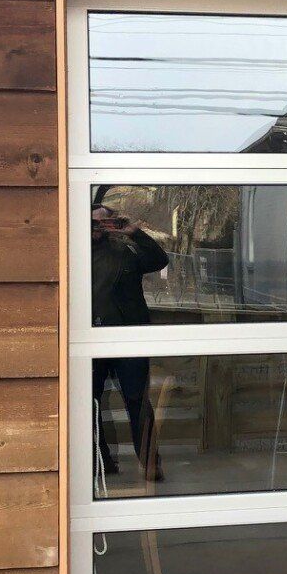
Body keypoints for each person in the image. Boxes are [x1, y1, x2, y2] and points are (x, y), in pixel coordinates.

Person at [91, 203, 171, 482]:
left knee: (137, 401)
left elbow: (160, 260)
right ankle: (100, 461)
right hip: (91, 339)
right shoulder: (74, 252)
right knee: (88, 404)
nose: (98, 227)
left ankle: (150, 463)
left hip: (128, 339)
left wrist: (135, 232)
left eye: (104, 222)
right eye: (93, 222)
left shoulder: (126, 250)